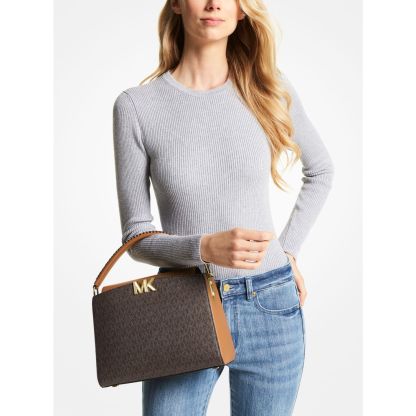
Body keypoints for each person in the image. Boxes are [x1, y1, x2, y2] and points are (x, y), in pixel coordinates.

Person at [112, 1, 335, 414]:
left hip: (271, 302)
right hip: (183, 305)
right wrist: (204, 248)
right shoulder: (137, 107)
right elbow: (136, 236)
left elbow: (320, 171)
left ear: (242, 10)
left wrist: (287, 251)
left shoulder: (269, 87)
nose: (214, 3)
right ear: (177, 4)